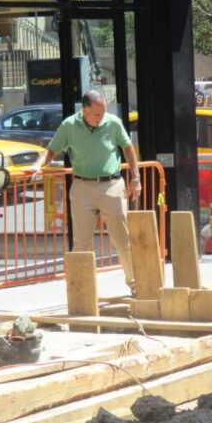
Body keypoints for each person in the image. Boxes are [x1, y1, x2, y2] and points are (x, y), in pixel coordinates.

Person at [28, 90, 141, 295]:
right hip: (82, 187)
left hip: (112, 184)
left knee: (122, 238)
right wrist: (38, 165)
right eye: (97, 114)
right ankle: (82, 291)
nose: (101, 117)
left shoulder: (113, 122)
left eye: (103, 112)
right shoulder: (69, 125)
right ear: (85, 110)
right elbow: (52, 149)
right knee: (81, 242)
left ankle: (135, 284)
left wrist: (136, 178)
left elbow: (128, 148)